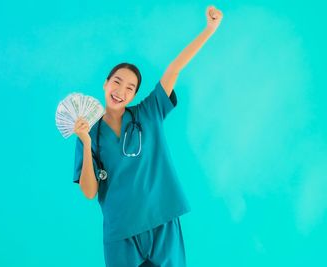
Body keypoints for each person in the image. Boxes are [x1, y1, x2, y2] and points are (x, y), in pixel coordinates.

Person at [72, 6, 223, 267]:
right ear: (106, 84)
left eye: (130, 88)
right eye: (117, 82)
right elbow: (89, 191)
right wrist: (85, 144)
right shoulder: (91, 134)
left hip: (161, 220)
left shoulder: (148, 113)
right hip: (120, 233)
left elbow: (174, 68)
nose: (121, 91)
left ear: (134, 95)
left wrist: (209, 31)